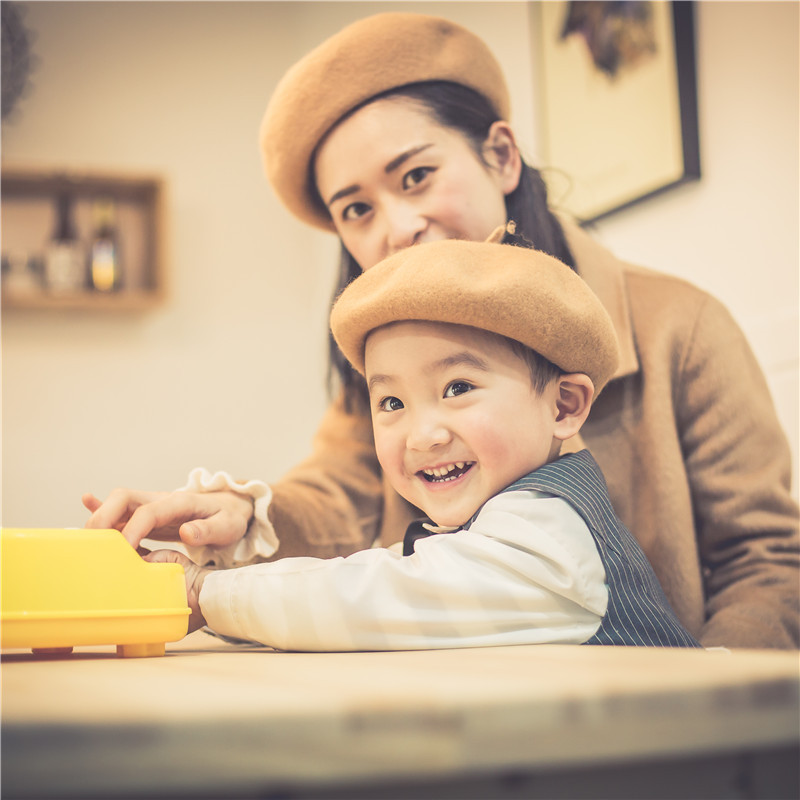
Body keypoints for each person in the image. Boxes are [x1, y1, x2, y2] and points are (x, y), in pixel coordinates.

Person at [83, 13, 799, 649]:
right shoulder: (387, 357)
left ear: (501, 156)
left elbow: (767, 560)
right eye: (356, 210)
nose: (398, 229)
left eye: (416, 176)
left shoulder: (684, 325)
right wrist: (241, 512)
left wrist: (710, 706)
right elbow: (337, 497)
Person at [144, 237, 701, 650]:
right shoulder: (500, 525)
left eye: (458, 387)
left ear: (564, 406)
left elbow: (369, 598)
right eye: (391, 403)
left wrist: (201, 591)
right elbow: (383, 565)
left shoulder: (547, 539)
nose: (423, 434)